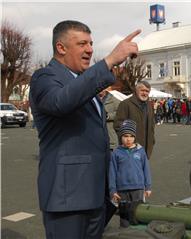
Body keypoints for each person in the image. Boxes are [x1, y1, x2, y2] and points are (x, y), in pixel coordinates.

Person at [29, 20, 141, 239]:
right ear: (61, 48)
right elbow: (61, 102)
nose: (90, 49)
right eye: (82, 44)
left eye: (91, 43)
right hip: (67, 199)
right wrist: (109, 61)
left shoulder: (82, 82)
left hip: (95, 195)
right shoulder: (44, 77)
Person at [109, 119, 151, 227]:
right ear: (121, 137)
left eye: (131, 136)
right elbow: (112, 172)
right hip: (122, 189)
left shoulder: (140, 151)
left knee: (138, 214)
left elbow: (146, 169)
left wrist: (148, 187)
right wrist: (113, 190)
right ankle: (124, 234)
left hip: (138, 188)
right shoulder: (116, 153)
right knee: (124, 216)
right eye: (125, 136)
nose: (128, 139)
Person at [114, 81, 155, 159]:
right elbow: (118, 125)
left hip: (146, 148)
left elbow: (152, 125)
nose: (145, 93)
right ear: (136, 90)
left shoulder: (149, 105)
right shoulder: (125, 104)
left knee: (143, 170)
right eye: (142, 90)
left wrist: (152, 140)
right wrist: (127, 141)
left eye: (147, 91)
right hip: (130, 148)